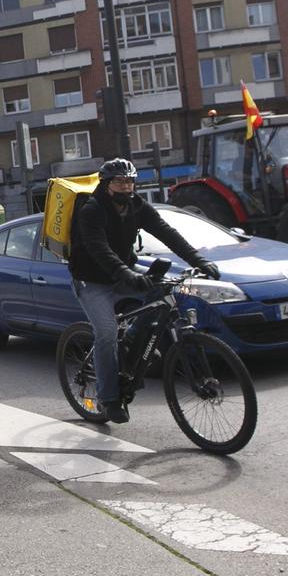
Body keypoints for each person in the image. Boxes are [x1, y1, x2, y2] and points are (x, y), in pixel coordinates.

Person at [66, 158, 219, 424]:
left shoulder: (138, 206)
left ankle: (134, 337)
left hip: (123, 273)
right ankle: (109, 398)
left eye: (129, 181)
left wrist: (198, 260)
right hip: (91, 280)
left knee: (164, 294)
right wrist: (128, 274)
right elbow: (98, 248)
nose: (126, 187)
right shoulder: (92, 209)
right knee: (106, 333)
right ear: (106, 184)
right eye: (119, 182)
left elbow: (167, 233)